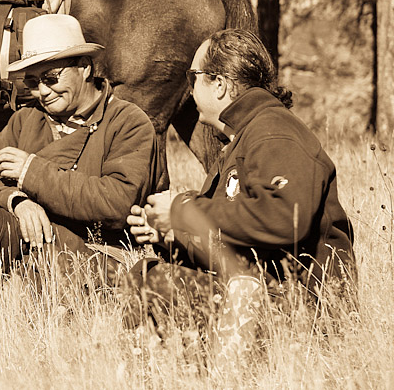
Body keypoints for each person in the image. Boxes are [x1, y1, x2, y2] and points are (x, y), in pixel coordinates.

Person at [125, 28, 356, 354]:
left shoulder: (274, 133)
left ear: (219, 84)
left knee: (157, 281)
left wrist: (182, 211)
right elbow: (240, 245)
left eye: (193, 78)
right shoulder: (244, 138)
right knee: (145, 272)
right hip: (265, 297)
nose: (189, 90)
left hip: (307, 317)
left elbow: (283, 218)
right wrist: (171, 236)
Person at [0, 13, 162, 280]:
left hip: (99, 255)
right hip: (35, 247)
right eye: (32, 83)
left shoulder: (128, 122)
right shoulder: (26, 119)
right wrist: (17, 201)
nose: (43, 92)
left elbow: (116, 203)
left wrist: (31, 173)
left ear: (85, 67)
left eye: (51, 78)